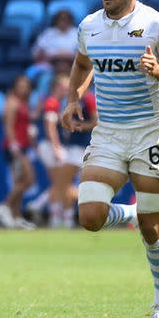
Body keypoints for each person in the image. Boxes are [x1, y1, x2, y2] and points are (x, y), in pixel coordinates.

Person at [61, 0, 159, 318]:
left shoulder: (156, 24)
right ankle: (134, 211)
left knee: (152, 231)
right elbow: (83, 64)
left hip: (149, 132)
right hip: (109, 134)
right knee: (89, 216)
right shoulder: (89, 25)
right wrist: (73, 99)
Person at [38, 75, 97, 228]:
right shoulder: (64, 101)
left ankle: (40, 206)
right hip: (68, 147)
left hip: (80, 148)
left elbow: (96, 121)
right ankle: (65, 218)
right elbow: (52, 123)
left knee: (61, 184)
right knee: (63, 185)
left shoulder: (88, 98)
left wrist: (78, 126)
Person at [0, 75, 37, 230]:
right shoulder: (12, 101)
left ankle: (16, 216)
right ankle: (4, 206)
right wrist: (13, 145)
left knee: (19, 181)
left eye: (27, 85)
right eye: (21, 85)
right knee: (29, 179)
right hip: (15, 147)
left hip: (22, 146)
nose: (24, 88)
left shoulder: (23, 102)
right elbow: (9, 126)